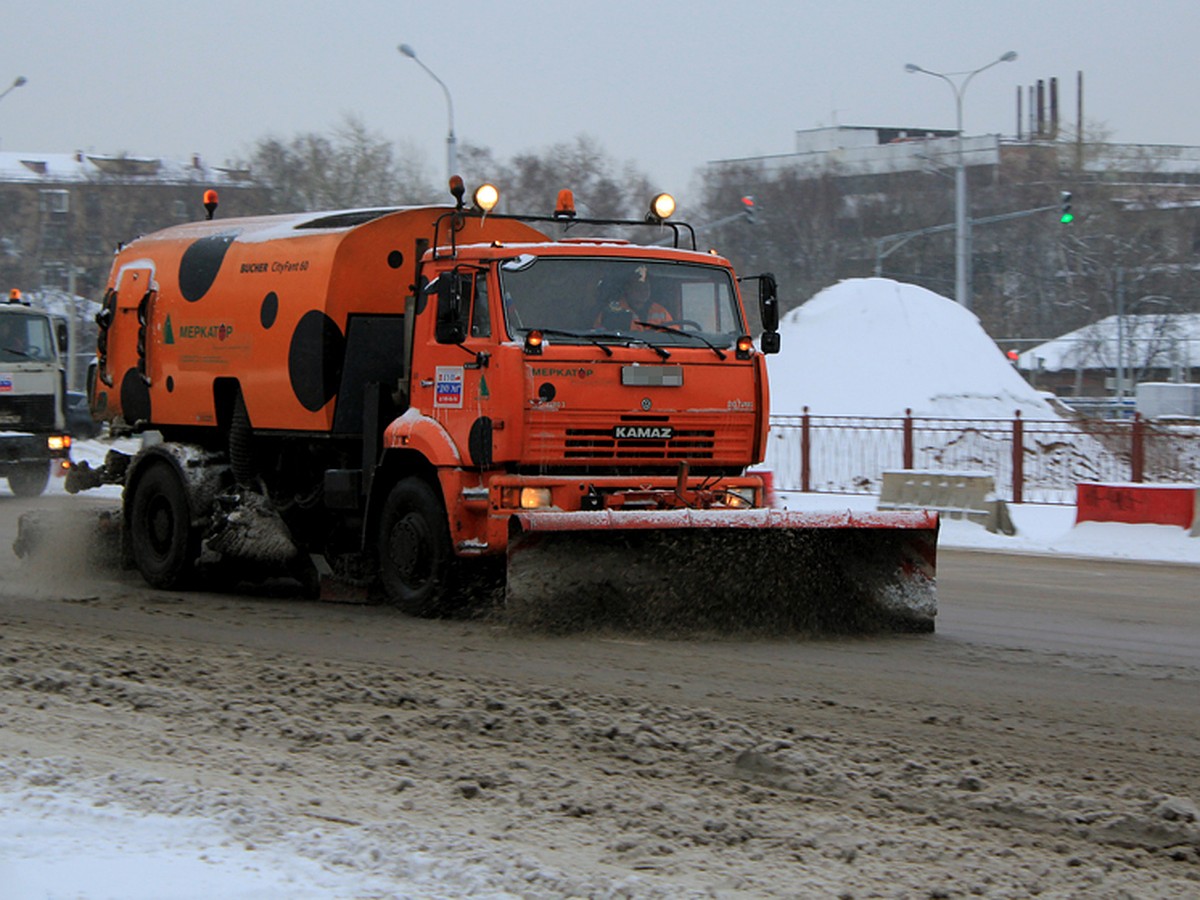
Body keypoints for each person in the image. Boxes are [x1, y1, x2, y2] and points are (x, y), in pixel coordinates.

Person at [594, 266, 671, 331]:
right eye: (638, 288)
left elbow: (674, 335)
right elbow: (599, 334)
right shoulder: (613, 310)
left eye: (646, 289)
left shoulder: (660, 311)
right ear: (628, 289)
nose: (643, 292)